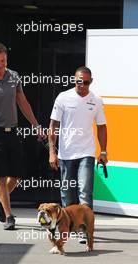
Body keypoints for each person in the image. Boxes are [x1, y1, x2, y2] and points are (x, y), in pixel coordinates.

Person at [0, 43, 43, 230]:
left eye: (3, 61)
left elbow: (23, 102)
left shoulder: (13, 76)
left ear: (6, 59)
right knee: (1, 176)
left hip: (12, 131)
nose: (1, 64)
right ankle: (10, 216)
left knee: (17, 174)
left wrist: (35, 125)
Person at [48, 66, 107, 242]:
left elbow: (102, 126)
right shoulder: (63, 97)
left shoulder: (96, 100)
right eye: (79, 81)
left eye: (86, 82)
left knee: (85, 191)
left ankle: (84, 230)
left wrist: (103, 151)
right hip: (66, 153)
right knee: (66, 192)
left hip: (87, 152)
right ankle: (67, 225)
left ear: (91, 82)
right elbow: (53, 126)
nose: (82, 85)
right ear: (74, 80)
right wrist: (52, 151)